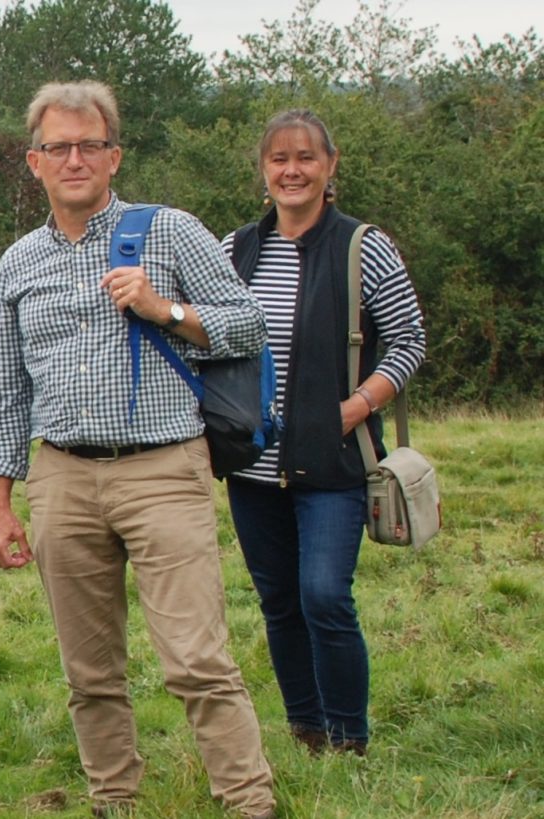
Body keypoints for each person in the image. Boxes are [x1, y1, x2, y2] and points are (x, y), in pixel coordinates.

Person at [0, 81, 277, 819]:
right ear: (34, 162)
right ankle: (115, 800)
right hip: (63, 476)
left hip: (163, 469)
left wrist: (163, 308)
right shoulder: (18, 262)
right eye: (58, 147)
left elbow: (249, 325)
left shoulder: (171, 233)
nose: (74, 158)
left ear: (114, 156)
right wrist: (0, 503)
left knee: (197, 660)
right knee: (89, 671)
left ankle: (250, 802)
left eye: (89, 145)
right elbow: (6, 389)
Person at [221, 109, 428, 757]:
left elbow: (409, 339)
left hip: (334, 457)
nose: (292, 170)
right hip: (253, 465)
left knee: (323, 597)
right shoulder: (237, 249)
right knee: (280, 601)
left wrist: (358, 404)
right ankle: (307, 730)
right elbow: (213, 334)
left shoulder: (365, 246)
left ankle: (350, 738)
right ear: (263, 170)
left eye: (306, 157)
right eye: (279, 158)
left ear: (330, 166)